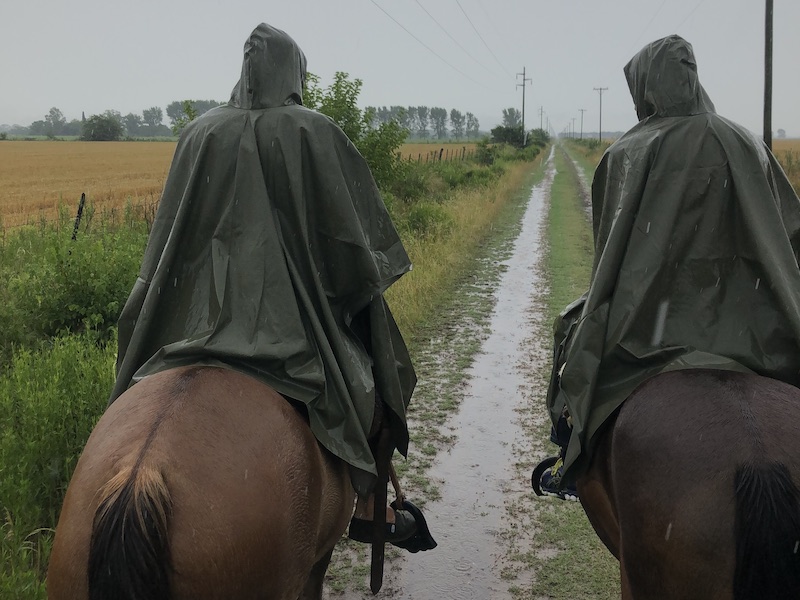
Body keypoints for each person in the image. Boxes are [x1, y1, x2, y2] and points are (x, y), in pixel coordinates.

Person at [109, 22, 432, 548]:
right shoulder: (314, 132)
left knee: (130, 371)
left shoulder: (198, 134)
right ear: (295, 74)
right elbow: (353, 247)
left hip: (188, 324)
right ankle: (375, 506)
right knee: (380, 387)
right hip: (294, 334)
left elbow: (169, 244)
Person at [538, 34, 800, 498]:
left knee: (570, 331)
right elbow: (791, 233)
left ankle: (568, 459)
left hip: (650, 331)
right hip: (756, 329)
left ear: (647, 88)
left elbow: (608, 261)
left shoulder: (628, 151)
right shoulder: (749, 144)